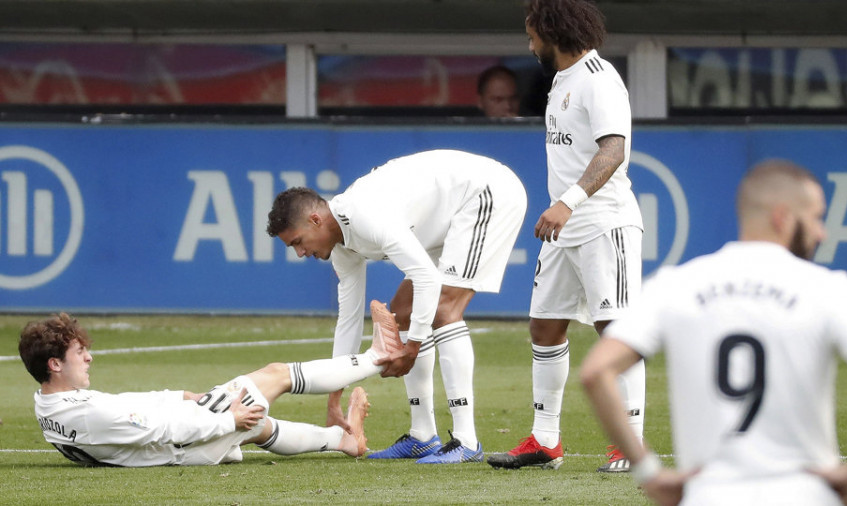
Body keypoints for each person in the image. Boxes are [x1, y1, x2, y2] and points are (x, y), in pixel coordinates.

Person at [580, 160, 847, 505]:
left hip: (708, 496)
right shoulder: (830, 289)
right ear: (782, 217)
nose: (822, 233)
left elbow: (596, 372)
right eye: (816, 218)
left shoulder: (676, 284)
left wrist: (648, 473)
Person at [266, 149, 527, 464]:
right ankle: (423, 436)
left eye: (297, 241)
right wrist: (334, 400)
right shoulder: (342, 249)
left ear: (316, 220)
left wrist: (412, 347)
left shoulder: (364, 214)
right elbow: (348, 322)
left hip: (486, 192)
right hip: (445, 218)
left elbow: (427, 280)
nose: (299, 253)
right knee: (403, 310)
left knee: (443, 308)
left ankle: (466, 441)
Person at [487, 0, 644, 472]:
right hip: (566, 230)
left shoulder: (599, 78)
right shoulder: (561, 80)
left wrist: (567, 202)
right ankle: (546, 441)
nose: (528, 40)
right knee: (545, 324)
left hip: (603, 223)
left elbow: (613, 149)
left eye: (531, 30)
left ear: (551, 28)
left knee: (615, 330)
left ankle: (629, 444)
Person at [19, 301, 404, 467]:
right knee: (274, 376)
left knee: (258, 427)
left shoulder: (48, 401)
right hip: (183, 446)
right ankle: (378, 355)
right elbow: (165, 427)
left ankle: (344, 441)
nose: (89, 357)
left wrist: (180, 396)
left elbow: (125, 406)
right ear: (55, 364)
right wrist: (227, 420)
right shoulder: (90, 414)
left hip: (172, 445)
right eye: (79, 352)